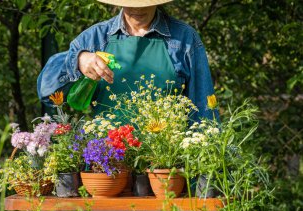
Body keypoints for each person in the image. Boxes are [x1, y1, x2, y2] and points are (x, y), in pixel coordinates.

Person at [37, 0, 219, 122]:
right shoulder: (97, 38)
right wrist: (79, 59)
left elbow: (204, 112)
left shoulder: (184, 39)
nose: (138, 8)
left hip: (166, 166)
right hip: (106, 163)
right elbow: (46, 93)